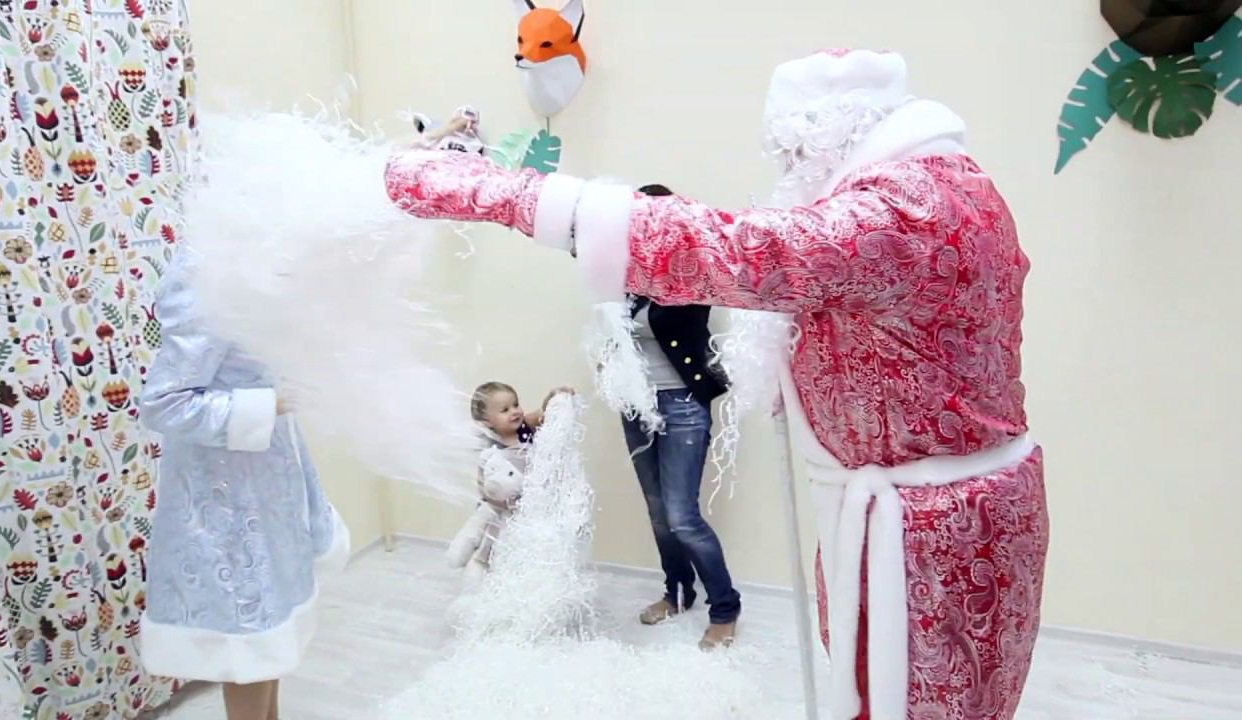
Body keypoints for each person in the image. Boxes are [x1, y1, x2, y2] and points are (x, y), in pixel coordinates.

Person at [383, 48, 1049, 720]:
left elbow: (731, 250)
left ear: (831, 133)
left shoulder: (901, 211)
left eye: (793, 150)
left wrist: (490, 190)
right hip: (945, 507)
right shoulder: (956, 184)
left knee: (917, 701)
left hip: (929, 531)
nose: (788, 169)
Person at [137, 250, 350, 720]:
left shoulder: (271, 266)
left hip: (269, 488)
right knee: (249, 642)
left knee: (271, 637)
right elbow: (164, 404)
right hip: (226, 503)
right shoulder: (207, 272)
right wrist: (269, 404)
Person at [621, 185, 740, 650]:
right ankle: (677, 592)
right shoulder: (623, 276)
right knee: (658, 514)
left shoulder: (692, 270)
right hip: (637, 404)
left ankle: (725, 608)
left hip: (682, 404)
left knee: (682, 516)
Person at [447, 381, 571, 588]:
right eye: (505, 410)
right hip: (499, 509)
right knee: (490, 543)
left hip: (527, 508)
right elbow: (485, 484)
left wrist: (555, 397)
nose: (514, 411)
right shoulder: (490, 443)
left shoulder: (524, 429)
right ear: (486, 422)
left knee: (522, 551)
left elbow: (544, 413)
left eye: (515, 404)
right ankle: (480, 572)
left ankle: (518, 581)